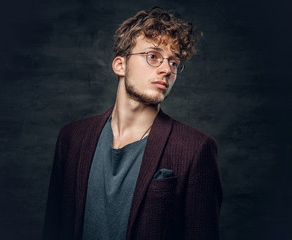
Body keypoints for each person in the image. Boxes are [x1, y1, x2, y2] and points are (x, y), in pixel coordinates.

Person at [43, 6, 223, 240]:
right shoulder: (72, 138)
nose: (167, 69)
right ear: (120, 65)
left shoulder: (195, 148)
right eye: (153, 56)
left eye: (174, 62)